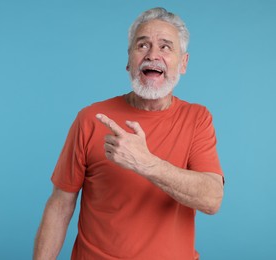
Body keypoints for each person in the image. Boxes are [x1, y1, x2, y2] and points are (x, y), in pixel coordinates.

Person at [33, 7, 224, 260]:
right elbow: (60, 204)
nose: (152, 55)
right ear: (128, 60)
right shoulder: (91, 118)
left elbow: (211, 199)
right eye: (142, 45)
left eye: (166, 47)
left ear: (184, 63)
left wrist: (147, 164)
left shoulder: (197, 118)